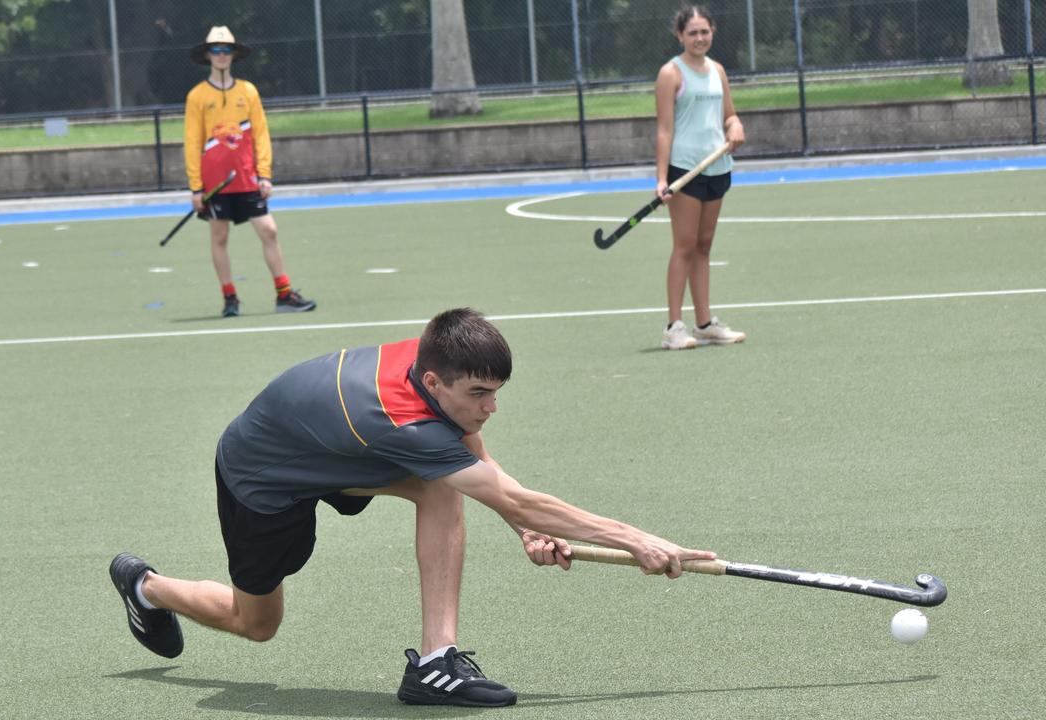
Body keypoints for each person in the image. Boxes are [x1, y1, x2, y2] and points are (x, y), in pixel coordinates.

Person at [109, 307, 716, 708]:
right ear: (434, 383)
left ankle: (434, 664)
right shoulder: (401, 418)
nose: (490, 408)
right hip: (265, 477)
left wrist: (524, 530)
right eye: (479, 394)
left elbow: (470, 450)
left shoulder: (431, 358)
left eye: (496, 393)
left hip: (334, 449)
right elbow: (507, 490)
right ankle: (149, 588)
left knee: (441, 483)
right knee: (256, 623)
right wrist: (636, 539)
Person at [184, 26, 316, 317]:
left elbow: (261, 136)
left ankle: (284, 295)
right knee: (219, 238)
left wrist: (264, 174)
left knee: (269, 230)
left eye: (226, 50)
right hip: (214, 184)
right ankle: (230, 299)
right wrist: (196, 187)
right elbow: (192, 142)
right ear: (208, 55)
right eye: (216, 50)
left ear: (233, 54)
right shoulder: (196, 96)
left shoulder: (248, 91)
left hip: (247, 178)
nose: (221, 55)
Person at [654, 6, 747, 350]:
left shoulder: (717, 71)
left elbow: (729, 115)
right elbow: (664, 129)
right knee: (684, 246)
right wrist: (662, 178)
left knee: (704, 247)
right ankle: (674, 327)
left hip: (717, 167)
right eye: (692, 33)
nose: (699, 38)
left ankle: (705, 323)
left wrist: (735, 124)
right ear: (680, 35)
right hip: (685, 169)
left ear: (713, 31)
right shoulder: (671, 73)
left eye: (704, 31)